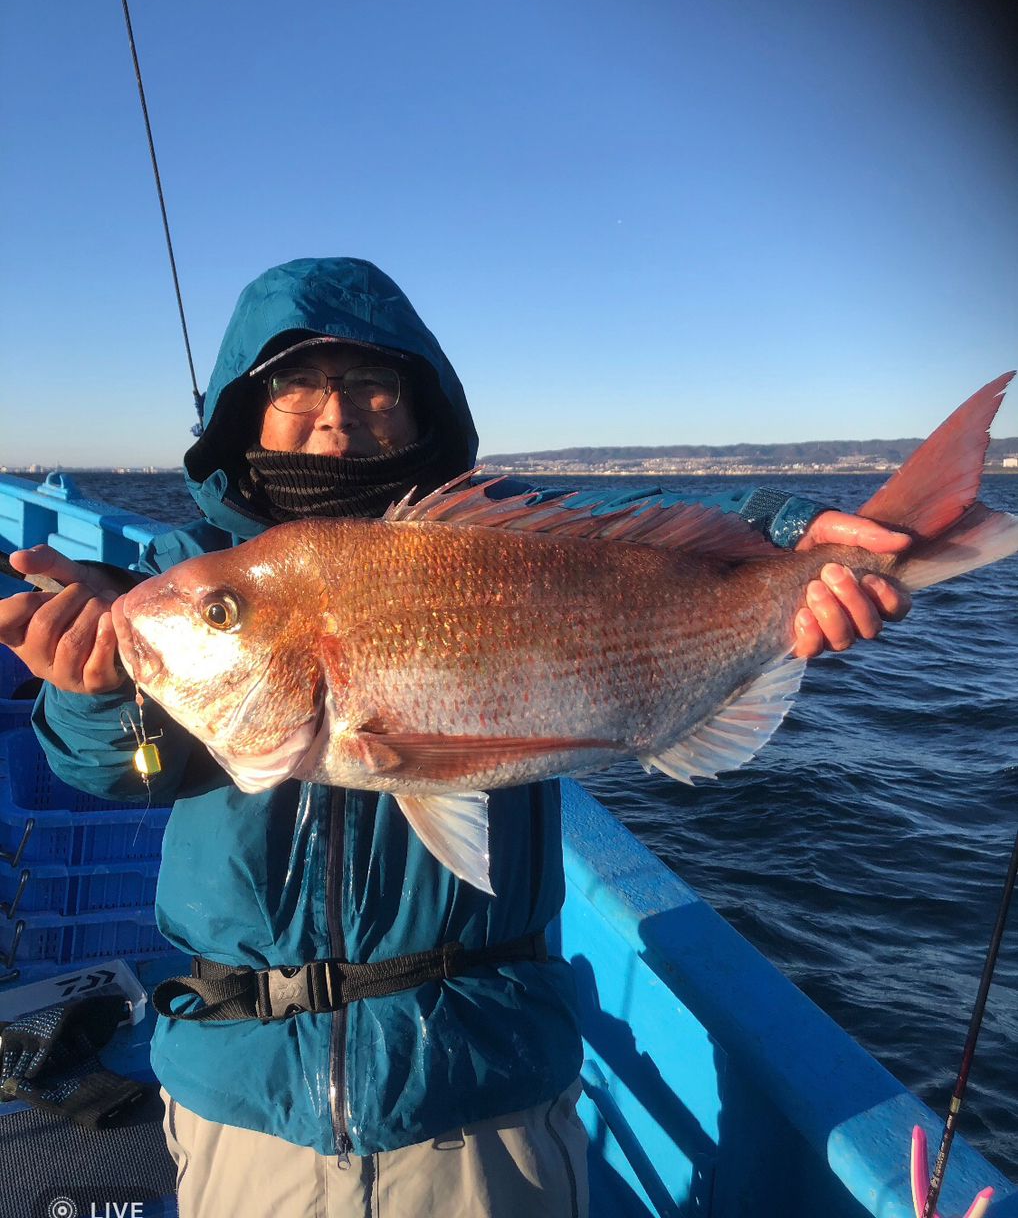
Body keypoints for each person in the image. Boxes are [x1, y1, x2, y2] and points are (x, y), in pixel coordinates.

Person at [0, 257, 911, 1218]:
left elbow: (638, 526)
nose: (336, 415)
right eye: (297, 385)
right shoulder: (191, 568)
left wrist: (793, 529)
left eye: (372, 385)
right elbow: (117, 770)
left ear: (423, 405)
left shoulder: (502, 531)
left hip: (481, 1088)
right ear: (246, 411)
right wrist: (95, 691)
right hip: (245, 1089)